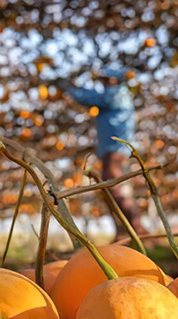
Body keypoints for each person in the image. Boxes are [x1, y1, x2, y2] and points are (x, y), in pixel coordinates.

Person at [59, 68, 142, 239]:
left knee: (116, 190)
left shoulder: (116, 94)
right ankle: (124, 232)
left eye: (107, 80)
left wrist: (70, 88)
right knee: (111, 190)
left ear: (115, 81)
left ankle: (138, 230)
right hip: (113, 149)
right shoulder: (116, 95)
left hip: (115, 149)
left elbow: (91, 98)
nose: (104, 84)